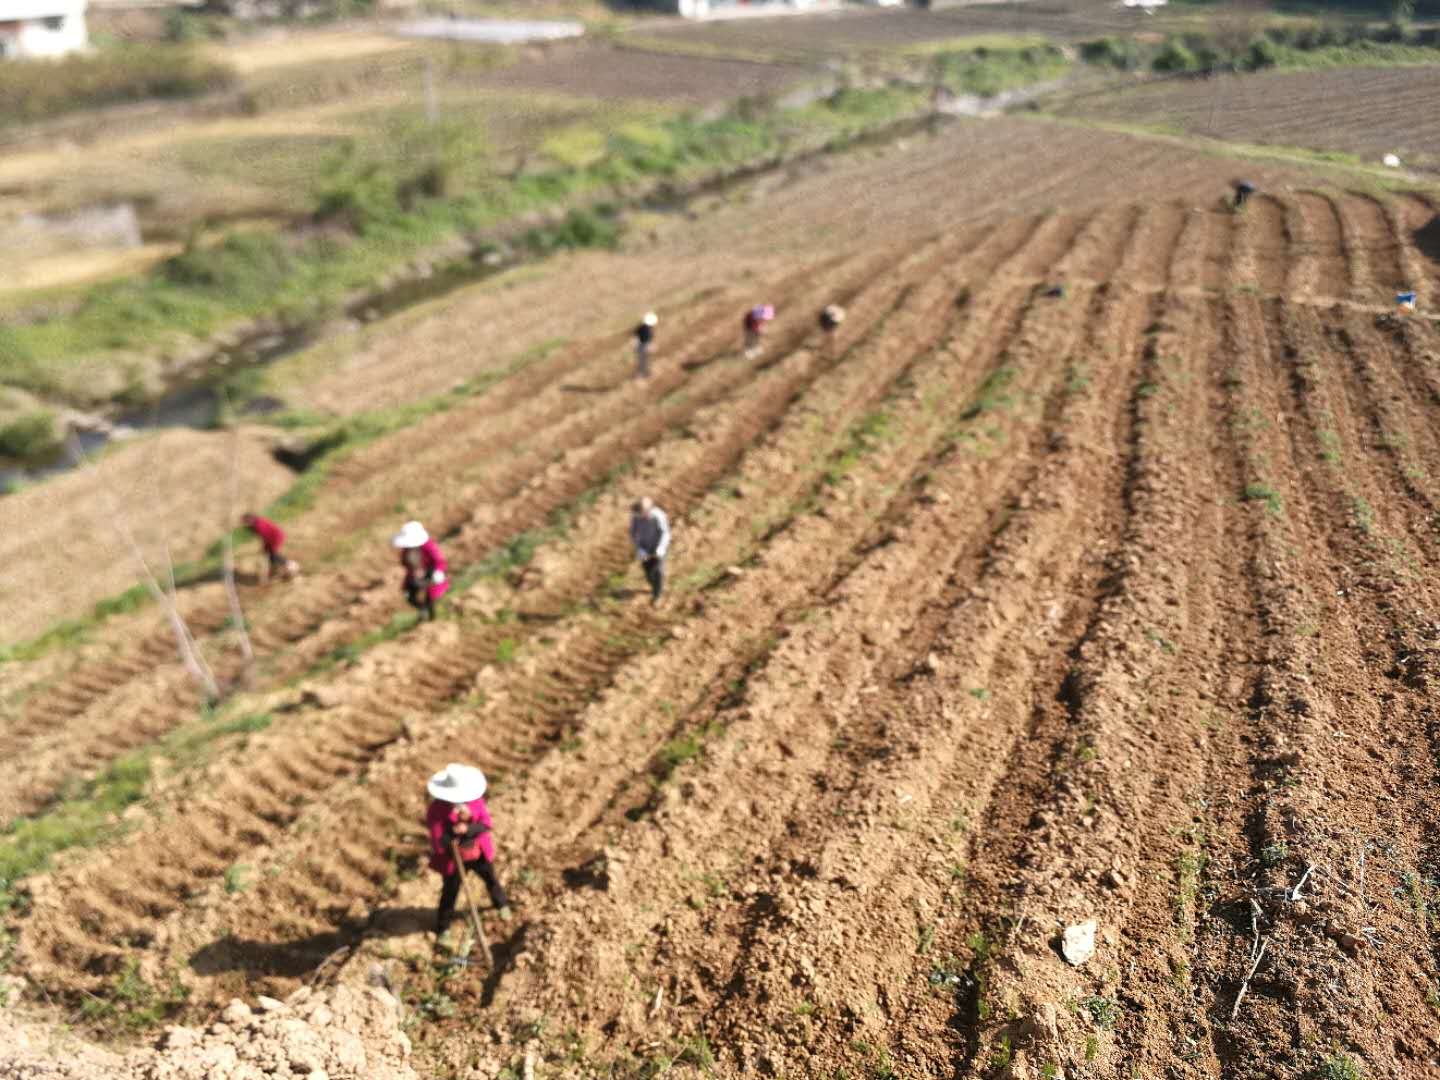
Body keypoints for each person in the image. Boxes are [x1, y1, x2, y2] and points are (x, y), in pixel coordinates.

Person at [425, 762, 510, 940]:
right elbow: (437, 838)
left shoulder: (475, 802)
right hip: (453, 859)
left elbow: (486, 824)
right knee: (450, 892)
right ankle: (443, 928)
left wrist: (469, 829)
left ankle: (501, 905)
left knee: (491, 879)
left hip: (477, 852)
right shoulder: (437, 810)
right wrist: (452, 836)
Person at [392, 520, 448, 621]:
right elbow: (405, 562)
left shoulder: (428, 546)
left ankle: (432, 617)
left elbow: (439, 561)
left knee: (430, 596)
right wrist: (414, 571)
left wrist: (435, 573)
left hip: (431, 573)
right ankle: (423, 609)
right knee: (409, 595)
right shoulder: (407, 550)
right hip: (414, 575)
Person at [629, 496, 671, 605]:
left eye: (641, 513)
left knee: (657, 571)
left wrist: (661, 548)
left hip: (658, 547)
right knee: (648, 573)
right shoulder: (635, 517)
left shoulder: (658, 516)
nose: (639, 515)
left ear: (648, 511)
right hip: (645, 548)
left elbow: (665, 533)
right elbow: (633, 534)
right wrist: (640, 549)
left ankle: (657, 595)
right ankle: (655, 586)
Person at [242, 512, 297, 582]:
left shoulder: (259, 525)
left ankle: (291, 565)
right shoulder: (256, 523)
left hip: (275, 538)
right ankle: (275, 572)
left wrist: (265, 547)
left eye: (246, 522)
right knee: (271, 557)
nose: (245, 524)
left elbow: (266, 537)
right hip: (273, 537)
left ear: (250, 519)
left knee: (274, 555)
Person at [634, 311, 658, 379]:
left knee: (643, 360)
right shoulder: (648, 330)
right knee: (644, 360)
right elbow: (647, 340)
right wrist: (650, 347)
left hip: (639, 346)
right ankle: (641, 374)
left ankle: (644, 372)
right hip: (644, 346)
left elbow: (636, 335)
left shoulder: (641, 327)